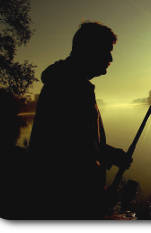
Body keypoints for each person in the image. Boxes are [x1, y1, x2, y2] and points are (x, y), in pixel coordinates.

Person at [25, 21, 132, 220]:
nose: (110, 58)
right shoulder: (69, 87)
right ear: (89, 49)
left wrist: (110, 154)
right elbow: (72, 159)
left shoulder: (70, 82)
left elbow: (79, 141)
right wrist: (96, 197)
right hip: (65, 205)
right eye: (107, 50)